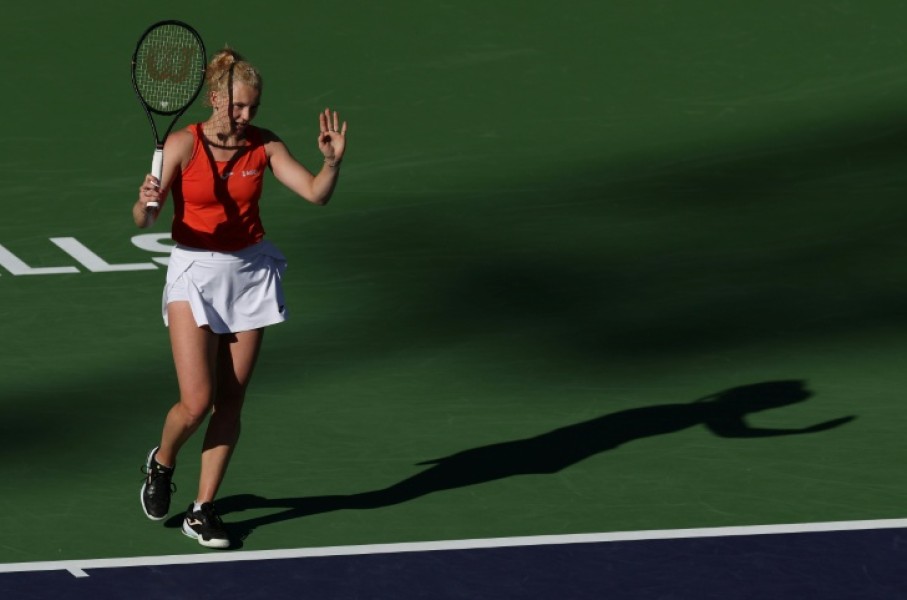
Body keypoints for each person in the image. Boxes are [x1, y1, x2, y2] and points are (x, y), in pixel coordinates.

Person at [133, 47, 347, 549]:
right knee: (196, 402)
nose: (246, 115)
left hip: (250, 274)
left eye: (253, 107)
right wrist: (145, 203)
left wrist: (331, 162)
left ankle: (202, 509)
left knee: (230, 402)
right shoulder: (183, 145)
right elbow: (146, 218)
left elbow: (316, 193)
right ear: (215, 99)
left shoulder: (264, 146)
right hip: (194, 273)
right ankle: (162, 461)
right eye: (238, 106)